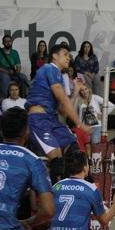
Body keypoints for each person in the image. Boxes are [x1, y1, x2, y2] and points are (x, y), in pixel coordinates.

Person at [26, 43, 92, 183]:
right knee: (57, 160)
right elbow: (63, 99)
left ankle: (75, 188)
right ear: (54, 56)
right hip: (39, 120)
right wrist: (79, 124)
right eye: (65, 54)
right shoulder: (50, 68)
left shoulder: (59, 76)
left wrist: (75, 92)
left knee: (74, 150)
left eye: (69, 55)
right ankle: (54, 197)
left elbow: (63, 111)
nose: (68, 58)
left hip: (52, 119)